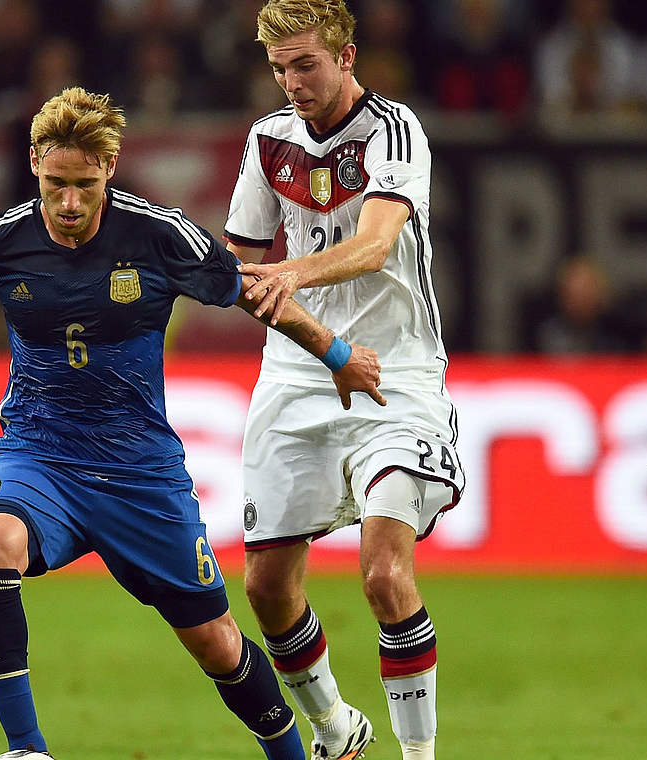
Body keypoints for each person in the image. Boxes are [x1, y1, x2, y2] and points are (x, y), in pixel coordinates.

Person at [0, 86, 387, 760]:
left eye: (85, 185)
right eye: (57, 183)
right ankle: (27, 748)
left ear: (111, 166)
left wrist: (337, 355)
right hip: (39, 453)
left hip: (138, 473)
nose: (69, 203)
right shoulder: (1, 238)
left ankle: (293, 751)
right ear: (35, 163)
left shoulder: (158, 234)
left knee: (215, 643)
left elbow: (252, 292)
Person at [224, 3, 466, 759]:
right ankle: (336, 728)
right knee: (264, 588)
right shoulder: (268, 142)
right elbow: (238, 262)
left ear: (347, 56)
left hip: (395, 377)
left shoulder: (394, 131)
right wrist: (313, 334)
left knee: (385, 574)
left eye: (305, 64)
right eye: (278, 69)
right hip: (298, 373)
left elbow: (374, 243)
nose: (291, 82)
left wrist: (287, 270)